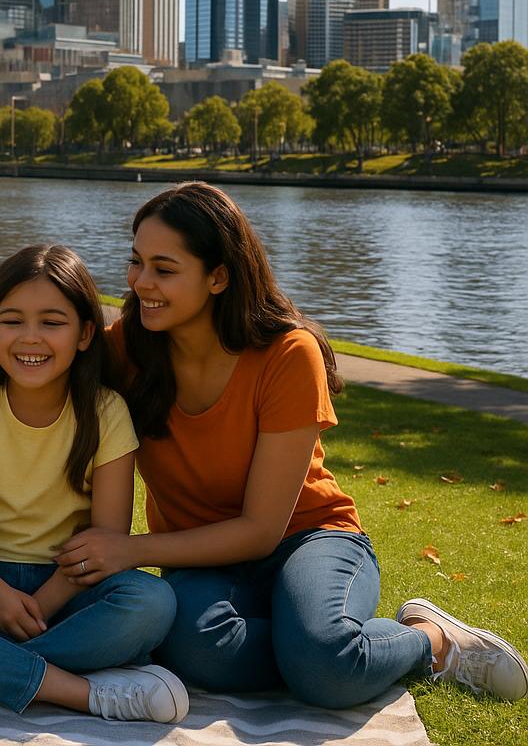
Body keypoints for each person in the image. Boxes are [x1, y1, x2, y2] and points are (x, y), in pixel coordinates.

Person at [54, 182, 528, 708]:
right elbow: (38, 383)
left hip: (309, 538)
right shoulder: (125, 350)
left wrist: (132, 549)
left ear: (219, 276)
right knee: (197, 652)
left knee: (327, 670)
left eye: (164, 269)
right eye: (136, 261)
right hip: (200, 557)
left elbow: (261, 531)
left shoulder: (288, 355)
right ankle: (312, 643)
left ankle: (430, 641)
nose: (141, 282)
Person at [0, 245, 188, 724]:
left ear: (85, 334)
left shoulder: (107, 412)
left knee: (151, 603)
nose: (30, 338)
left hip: (69, 586)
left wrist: (42, 603)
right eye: (13, 320)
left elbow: (107, 539)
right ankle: (83, 693)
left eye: (52, 322)